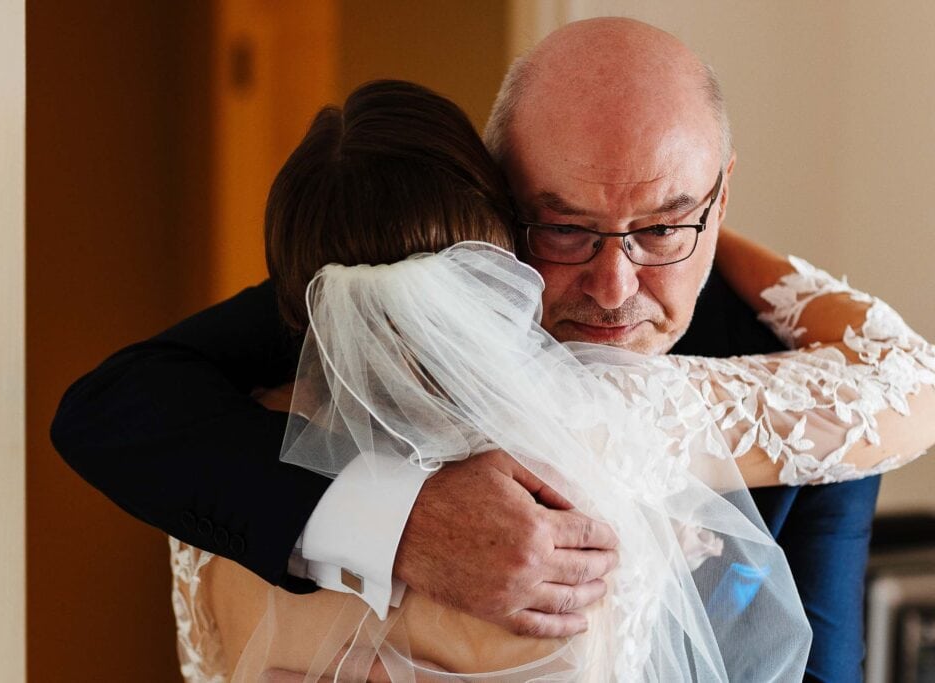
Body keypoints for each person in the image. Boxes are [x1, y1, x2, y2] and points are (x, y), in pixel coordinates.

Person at [49, 18, 932, 681]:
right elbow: (113, 410)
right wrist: (401, 521)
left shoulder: (778, 363)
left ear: (721, 195)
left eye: (663, 225)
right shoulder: (358, 304)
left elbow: (822, 658)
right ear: (497, 206)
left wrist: (716, 244)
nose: (616, 284)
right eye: (565, 227)